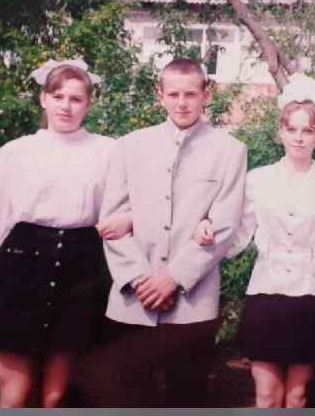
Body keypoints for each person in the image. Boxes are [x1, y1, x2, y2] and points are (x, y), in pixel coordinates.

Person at [0, 59, 132, 407]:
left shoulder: (108, 151)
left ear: (89, 104)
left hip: (79, 274)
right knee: (15, 396)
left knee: (55, 398)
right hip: (20, 272)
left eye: (76, 99)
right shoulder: (15, 153)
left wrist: (128, 219)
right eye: (58, 96)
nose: (66, 106)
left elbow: (130, 206)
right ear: (43, 99)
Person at [95, 57, 247, 408]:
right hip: (133, 299)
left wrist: (174, 278)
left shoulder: (229, 151)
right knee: (128, 397)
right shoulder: (129, 146)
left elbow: (224, 225)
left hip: (193, 302)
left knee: (187, 396)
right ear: (159, 94)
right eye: (174, 94)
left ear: (206, 95)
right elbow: (113, 222)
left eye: (191, 94)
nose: (182, 103)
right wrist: (140, 279)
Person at [194, 73, 315, 408]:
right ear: (280, 131)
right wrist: (207, 229)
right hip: (267, 295)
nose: (299, 138)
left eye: (308, 130)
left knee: (297, 396)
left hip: (312, 295)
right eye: (292, 129)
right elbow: (237, 235)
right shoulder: (257, 180)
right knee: (266, 396)